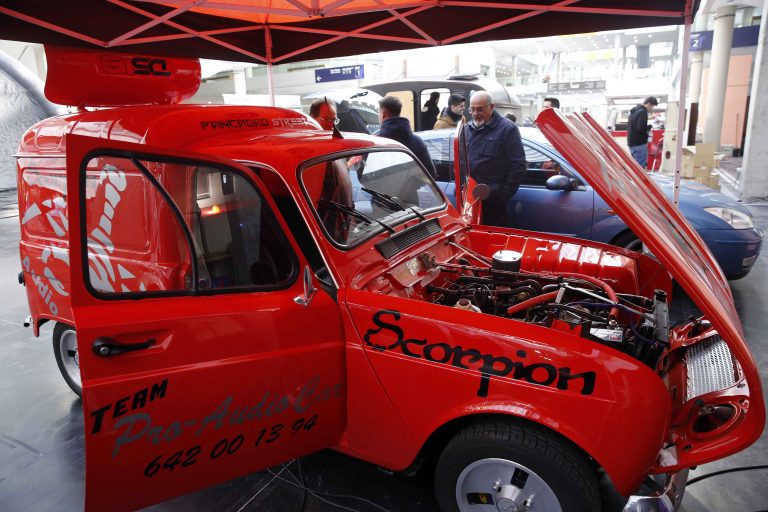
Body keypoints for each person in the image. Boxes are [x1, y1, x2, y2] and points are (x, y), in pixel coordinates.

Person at [465, 91, 526, 227]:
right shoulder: (466, 129)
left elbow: (518, 166)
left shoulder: (507, 129)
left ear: (491, 107)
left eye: (479, 109)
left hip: (494, 202)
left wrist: (502, 197)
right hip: (470, 199)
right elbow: (461, 162)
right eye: (472, 109)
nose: (475, 113)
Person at [378, 96, 437, 177]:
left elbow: (363, 176)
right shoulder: (417, 141)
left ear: (383, 114)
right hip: (410, 189)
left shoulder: (375, 143)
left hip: (379, 189)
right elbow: (430, 173)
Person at [627, 96, 658, 169]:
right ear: (649, 104)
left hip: (632, 143)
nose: (651, 109)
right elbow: (640, 128)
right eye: (652, 106)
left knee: (635, 167)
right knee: (640, 168)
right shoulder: (643, 112)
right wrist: (649, 126)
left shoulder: (634, 111)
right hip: (639, 144)